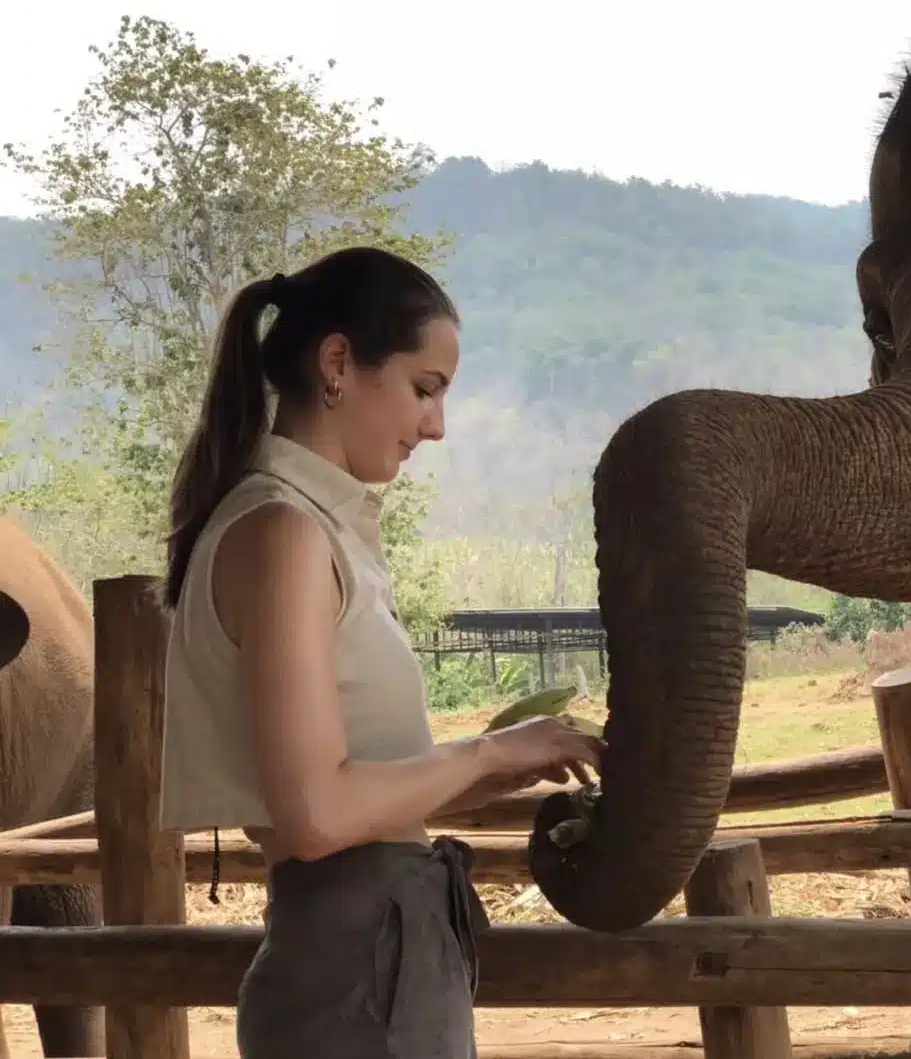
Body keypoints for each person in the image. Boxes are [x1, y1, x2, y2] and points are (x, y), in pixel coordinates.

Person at [156, 245, 604, 1058]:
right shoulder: (284, 533)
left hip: (371, 965)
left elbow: (348, 795)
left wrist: (488, 769)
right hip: (359, 979)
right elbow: (318, 815)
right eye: (424, 389)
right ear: (337, 363)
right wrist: (485, 749)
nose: (435, 425)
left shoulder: (313, 528)